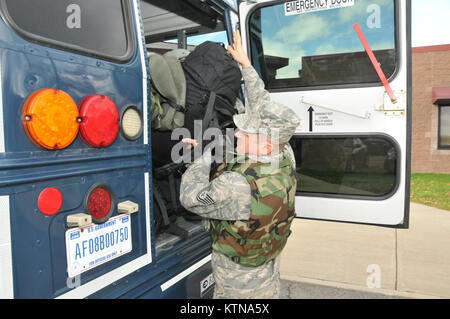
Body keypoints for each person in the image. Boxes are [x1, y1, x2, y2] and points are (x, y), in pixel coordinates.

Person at [179, 30, 301, 299]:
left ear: (266, 145)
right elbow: (263, 106)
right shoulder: (285, 156)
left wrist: (200, 158)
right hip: (268, 269)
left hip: (238, 283)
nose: (236, 134)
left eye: (246, 133)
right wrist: (246, 65)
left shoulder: (236, 184)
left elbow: (190, 199)